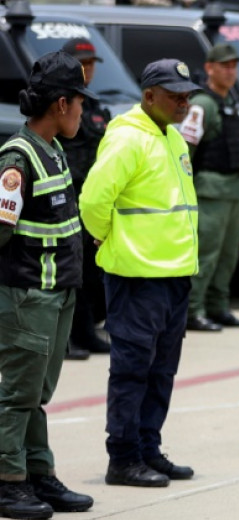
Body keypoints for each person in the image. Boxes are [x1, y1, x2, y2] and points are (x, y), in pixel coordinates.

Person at [80, 58, 201, 488]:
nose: (183, 103)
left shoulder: (172, 137)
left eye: (187, 96)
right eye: (174, 96)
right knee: (132, 370)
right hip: (137, 277)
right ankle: (123, 457)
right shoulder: (128, 137)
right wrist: (107, 238)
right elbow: (93, 201)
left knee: (161, 371)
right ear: (149, 96)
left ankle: (148, 449)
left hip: (174, 275)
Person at [0, 50, 96, 520]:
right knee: (18, 394)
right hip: (28, 296)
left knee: (37, 392)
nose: (83, 111)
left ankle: (37, 472)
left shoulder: (52, 149)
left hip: (56, 292)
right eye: (80, 101)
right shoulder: (17, 159)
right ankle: (7, 481)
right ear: (61, 104)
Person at [179, 43, 239, 333]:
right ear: (209, 68)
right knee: (206, 253)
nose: (231, 71)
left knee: (227, 255)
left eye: (234, 66)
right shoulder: (202, 105)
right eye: (225, 66)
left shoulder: (230, 100)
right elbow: (186, 150)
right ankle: (192, 310)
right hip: (210, 190)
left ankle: (217, 307)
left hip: (233, 190)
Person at [59, 37, 112, 358]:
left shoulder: (93, 105)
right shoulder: (59, 103)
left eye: (91, 64)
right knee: (70, 269)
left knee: (91, 271)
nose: (88, 69)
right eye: (82, 64)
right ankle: (67, 337)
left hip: (92, 198)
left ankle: (86, 331)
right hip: (67, 196)